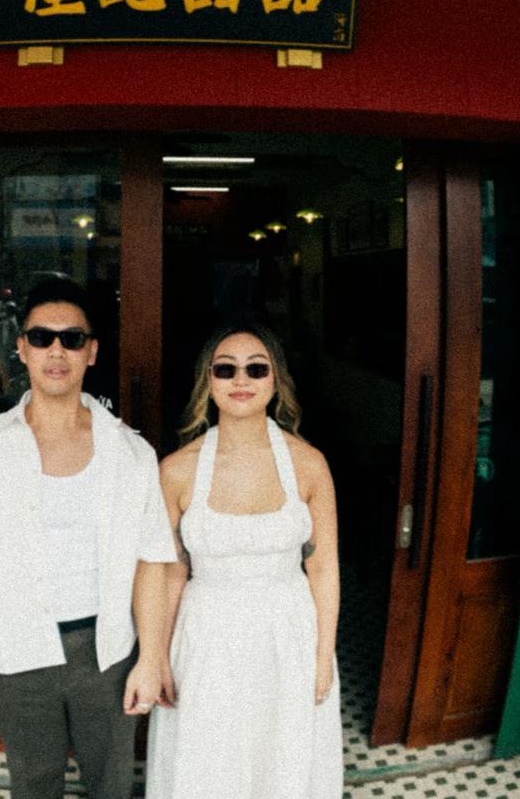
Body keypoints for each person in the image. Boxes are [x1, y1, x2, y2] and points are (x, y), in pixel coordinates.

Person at [0, 274, 176, 799]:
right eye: (41, 337)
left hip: (107, 650)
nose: (57, 350)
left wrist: (149, 657)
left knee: (111, 784)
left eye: (72, 339)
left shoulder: (131, 453)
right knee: (33, 785)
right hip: (16, 650)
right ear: (22, 349)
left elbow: (151, 563)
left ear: (91, 352)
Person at [146, 323, 343, 799]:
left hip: (288, 634)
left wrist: (323, 656)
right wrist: (158, 656)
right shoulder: (177, 469)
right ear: (207, 380)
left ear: (276, 381)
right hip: (206, 638)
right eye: (226, 369)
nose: (241, 380)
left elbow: (323, 567)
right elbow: (171, 574)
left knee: (283, 753)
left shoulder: (310, 464)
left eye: (256, 369)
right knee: (209, 759)